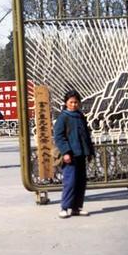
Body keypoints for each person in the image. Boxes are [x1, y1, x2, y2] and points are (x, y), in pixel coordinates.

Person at [53, 90, 95, 219]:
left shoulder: (80, 116)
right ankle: (64, 207)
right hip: (70, 155)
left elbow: (86, 136)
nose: (73, 104)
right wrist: (65, 152)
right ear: (66, 103)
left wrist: (90, 151)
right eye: (71, 102)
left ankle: (76, 207)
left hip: (81, 154)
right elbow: (59, 137)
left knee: (80, 182)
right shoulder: (63, 117)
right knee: (70, 182)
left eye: (76, 102)